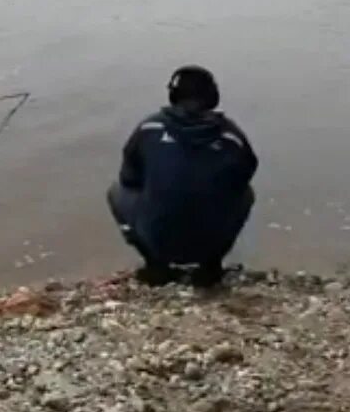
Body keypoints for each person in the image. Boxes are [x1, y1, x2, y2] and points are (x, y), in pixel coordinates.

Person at [107, 65, 257, 288]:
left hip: (158, 237)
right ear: (213, 97)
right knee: (246, 195)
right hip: (211, 239)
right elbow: (244, 176)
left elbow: (129, 179)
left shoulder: (149, 128)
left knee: (115, 192)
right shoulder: (231, 136)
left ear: (173, 96)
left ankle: (156, 265)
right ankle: (210, 267)